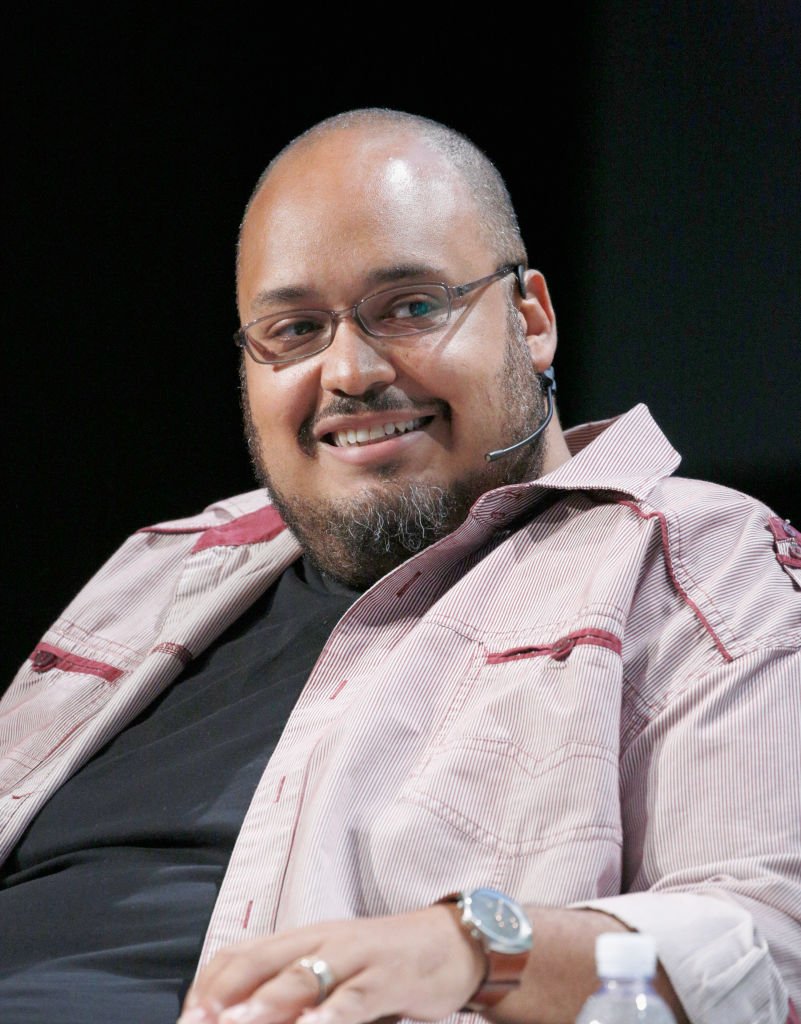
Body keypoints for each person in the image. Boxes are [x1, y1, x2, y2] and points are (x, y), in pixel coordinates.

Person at [0, 109, 798, 1024]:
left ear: (531, 321)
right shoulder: (163, 569)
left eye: (410, 307)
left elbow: (767, 955)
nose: (347, 370)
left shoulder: (688, 555)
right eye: (293, 330)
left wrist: (477, 947)